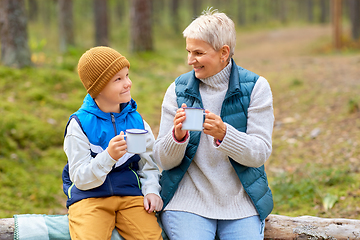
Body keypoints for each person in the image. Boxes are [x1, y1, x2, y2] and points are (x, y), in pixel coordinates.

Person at [153, 8, 274, 240]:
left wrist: (225, 134)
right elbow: (163, 160)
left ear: (224, 52)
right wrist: (176, 137)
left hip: (241, 202)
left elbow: (259, 153)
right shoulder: (177, 90)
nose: (190, 61)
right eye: (188, 51)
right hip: (186, 201)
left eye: (198, 52)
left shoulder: (257, 88)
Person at [61, 46, 163, 240]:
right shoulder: (80, 125)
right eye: (118, 79)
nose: (128, 83)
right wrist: (108, 157)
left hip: (130, 196)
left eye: (127, 75)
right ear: (97, 88)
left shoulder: (136, 122)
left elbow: (147, 165)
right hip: (89, 197)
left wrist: (151, 191)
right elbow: (79, 178)